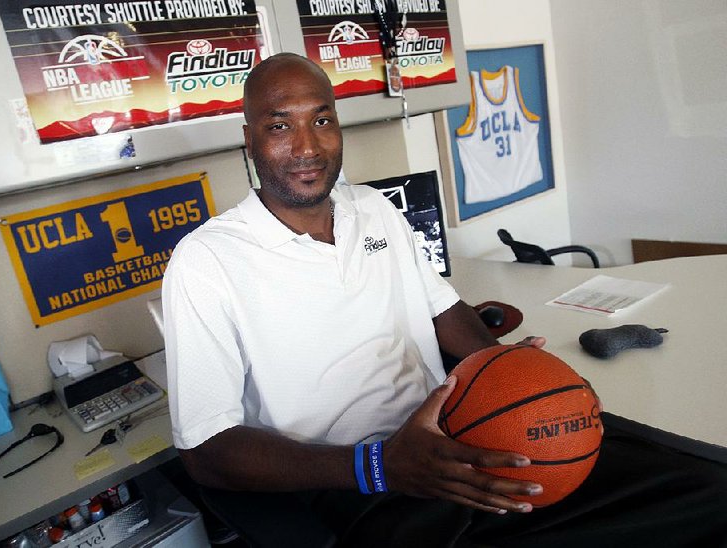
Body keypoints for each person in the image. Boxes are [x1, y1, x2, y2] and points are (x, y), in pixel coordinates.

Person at [162, 53, 727, 547]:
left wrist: (502, 367)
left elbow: (442, 309)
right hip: (360, 483)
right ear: (249, 140)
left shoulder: (376, 210)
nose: (307, 146)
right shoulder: (207, 262)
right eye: (280, 125)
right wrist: (378, 467)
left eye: (323, 119)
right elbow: (206, 452)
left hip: (465, 432)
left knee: (703, 491)